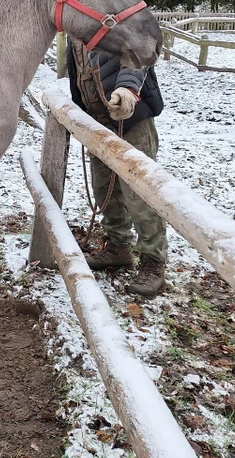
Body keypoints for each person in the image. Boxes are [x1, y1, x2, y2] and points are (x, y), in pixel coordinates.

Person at [66, 37, 167, 297]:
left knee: (140, 196)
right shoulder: (77, 25)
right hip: (98, 122)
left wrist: (127, 89)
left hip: (132, 119)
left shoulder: (119, 11)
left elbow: (139, 51)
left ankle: (153, 261)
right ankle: (118, 245)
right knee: (104, 190)